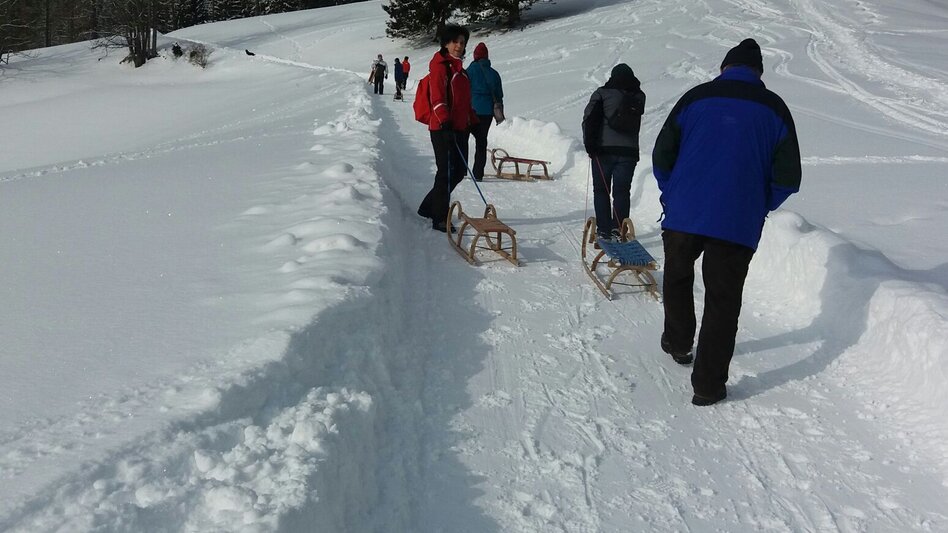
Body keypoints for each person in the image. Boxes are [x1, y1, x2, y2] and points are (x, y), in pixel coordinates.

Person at [651, 38, 802, 406]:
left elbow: (661, 153)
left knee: (677, 276)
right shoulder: (776, 108)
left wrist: (671, 191)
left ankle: (680, 342)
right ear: (758, 72)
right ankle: (707, 386)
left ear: (724, 68)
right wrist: (756, 204)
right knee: (722, 299)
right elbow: (787, 178)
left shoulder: (695, 98)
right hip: (736, 221)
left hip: (685, 212)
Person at [416, 25, 478, 233]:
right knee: (446, 172)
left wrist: (473, 121)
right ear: (446, 43)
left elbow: (465, 101)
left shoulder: (461, 70)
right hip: (442, 127)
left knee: (459, 171)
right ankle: (440, 216)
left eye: (462, 42)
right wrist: (444, 120)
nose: (459, 46)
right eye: (455, 42)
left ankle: (428, 207)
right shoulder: (440, 66)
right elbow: (437, 97)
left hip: (460, 127)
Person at [581, 63, 646, 240]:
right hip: (629, 153)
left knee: (602, 190)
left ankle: (603, 230)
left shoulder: (602, 94)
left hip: (603, 151)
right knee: (622, 191)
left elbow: (589, 120)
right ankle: (618, 229)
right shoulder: (639, 97)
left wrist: (590, 146)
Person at [467, 42, 504, 181]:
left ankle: (462, 170)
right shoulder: (494, 74)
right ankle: (478, 173)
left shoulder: (469, 71)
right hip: (487, 112)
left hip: (470, 110)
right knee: (481, 142)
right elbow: (499, 94)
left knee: (463, 139)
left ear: (475, 56)